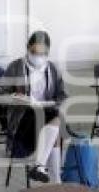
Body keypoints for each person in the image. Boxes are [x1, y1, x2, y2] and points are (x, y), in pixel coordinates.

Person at [4, 31, 67, 183]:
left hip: (46, 115)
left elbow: (63, 96)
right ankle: (50, 176)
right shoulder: (15, 67)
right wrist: (17, 98)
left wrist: (51, 103)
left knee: (54, 122)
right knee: (56, 123)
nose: (38, 56)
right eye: (34, 52)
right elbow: (4, 95)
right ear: (27, 48)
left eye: (42, 53)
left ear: (47, 52)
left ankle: (41, 169)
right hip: (23, 119)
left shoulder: (53, 69)